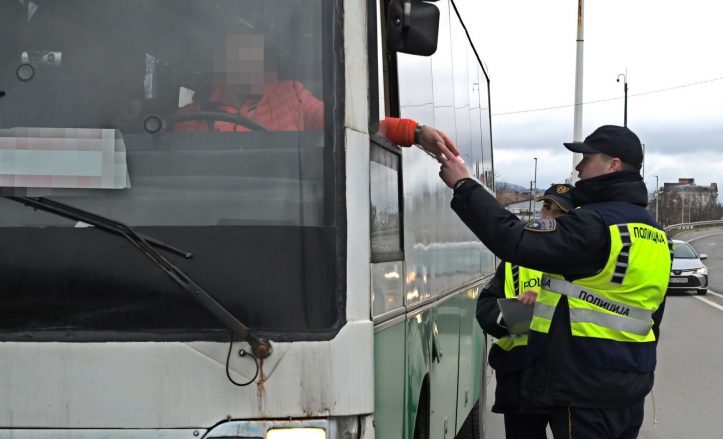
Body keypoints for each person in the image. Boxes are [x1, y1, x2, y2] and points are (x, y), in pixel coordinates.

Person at [438, 125, 671, 439]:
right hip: (629, 386)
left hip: (584, 387)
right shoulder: (655, 234)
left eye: (587, 158)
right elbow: (652, 315)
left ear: (612, 165)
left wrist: (464, 185)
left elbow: (516, 239)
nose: (578, 167)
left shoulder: (595, 225)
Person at [171, 34, 460, 158]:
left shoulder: (292, 96)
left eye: (252, 53)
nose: (246, 62)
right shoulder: (191, 118)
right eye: (234, 55)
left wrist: (415, 131)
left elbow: (355, 126)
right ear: (220, 65)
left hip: (292, 224)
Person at [477, 183, 574, 439]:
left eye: (558, 212)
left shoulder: (584, 261)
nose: (547, 215)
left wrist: (543, 301)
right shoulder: (516, 258)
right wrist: (513, 313)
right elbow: (485, 307)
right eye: (546, 206)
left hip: (568, 379)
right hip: (520, 377)